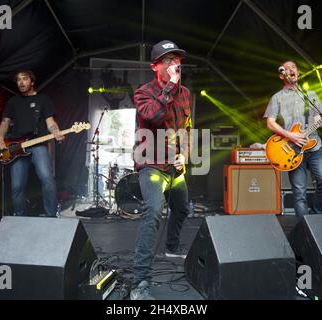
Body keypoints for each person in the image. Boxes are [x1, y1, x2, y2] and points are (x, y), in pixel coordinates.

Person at [130, 40, 192, 300]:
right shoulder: (143, 92)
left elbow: (187, 128)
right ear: (154, 66)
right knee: (154, 210)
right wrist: (168, 87)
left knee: (182, 207)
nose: (173, 64)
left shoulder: (186, 93)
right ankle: (139, 282)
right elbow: (154, 117)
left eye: (176, 59)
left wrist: (185, 156)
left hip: (174, 165)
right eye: (167, 60)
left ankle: (171, 247)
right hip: (151, 164)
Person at [264, 61, 322, 217]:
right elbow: (270, 123)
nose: (291, 70)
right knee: (299, 193)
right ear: (281, 75)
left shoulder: (310, 95)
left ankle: (317, 215)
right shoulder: (277, 98)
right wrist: (290, 135)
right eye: (287, 68)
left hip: (314, 147)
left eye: (294, 68)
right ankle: (304, 229)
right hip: (292, 150)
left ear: (298, 73)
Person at [0, 70, 64, 217]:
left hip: (37, 144)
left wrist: (56, 131)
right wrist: (0, 139)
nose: (21, 82)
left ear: (32, 82)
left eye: (24, 79)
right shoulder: (13, 101)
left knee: (47, 179)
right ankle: (19, 216)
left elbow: (50, 122)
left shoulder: (43, 99)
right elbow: (5, 122)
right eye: (18, 80)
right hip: (17, 147)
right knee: (16, 186)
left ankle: (51, 215)